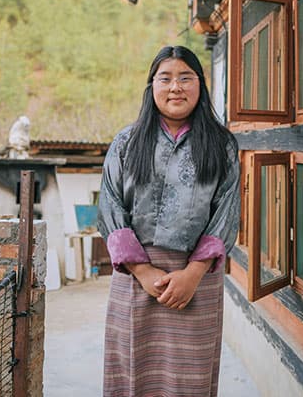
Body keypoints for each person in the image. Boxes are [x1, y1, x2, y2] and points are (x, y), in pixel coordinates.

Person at [97, 45, 240, 397]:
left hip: (196, 280)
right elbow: (110, 206)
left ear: (200, 86)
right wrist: (144, 272)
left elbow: (227, 210)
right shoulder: (126, 142)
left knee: (189, 378)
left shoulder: (221, 145)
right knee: (133, 374)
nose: (176, 87)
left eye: (185, 78)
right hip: (135, 277)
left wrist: (192, 274)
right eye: (166, 78)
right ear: (152, 87)